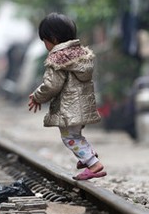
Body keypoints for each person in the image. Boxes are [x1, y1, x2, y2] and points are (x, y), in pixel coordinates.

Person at [28, 13, 106, 181]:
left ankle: (93, 163)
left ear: (53, 38)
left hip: (69, 107)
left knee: (69, 138)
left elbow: (51, 85)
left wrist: (37, 97)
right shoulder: (80, 55)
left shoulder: (58, 58)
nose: (45, 45)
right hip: (82, 106)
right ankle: (87, 155)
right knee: (75, 135)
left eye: (45, 41)